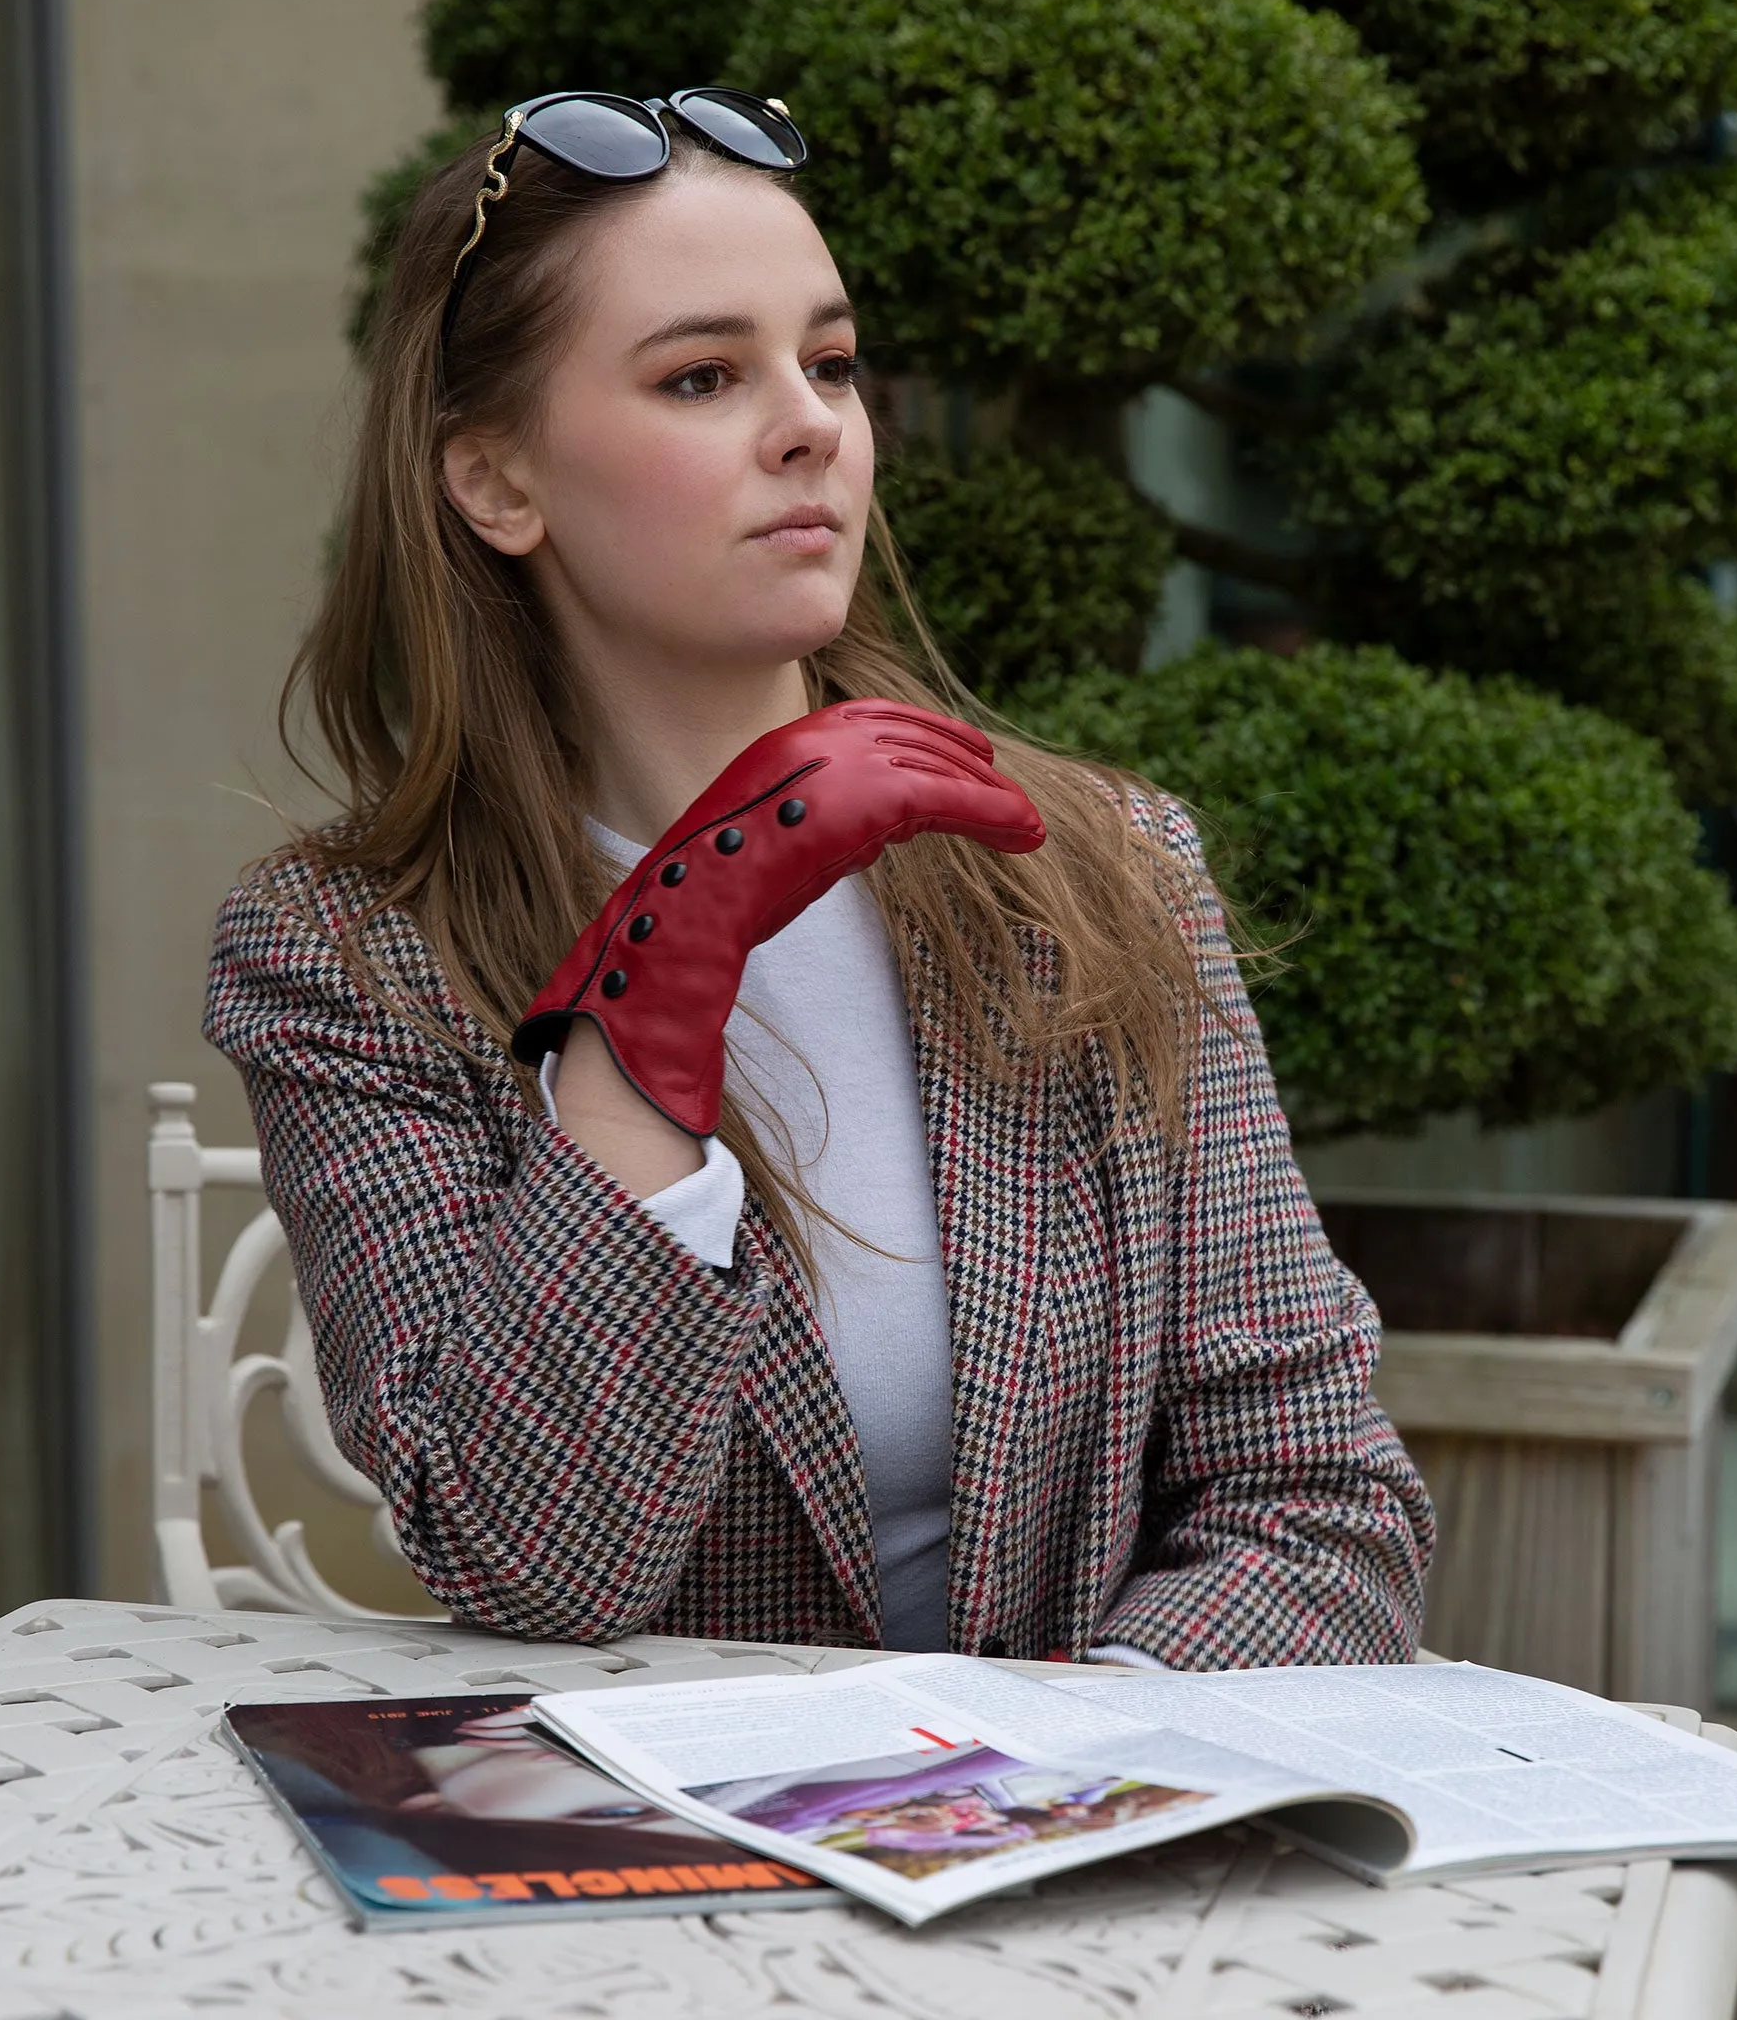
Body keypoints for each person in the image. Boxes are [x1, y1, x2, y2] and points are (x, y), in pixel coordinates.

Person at [204, 88, 1434, 1670]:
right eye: (704, 375)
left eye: (832, 363)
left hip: (1078, 1863)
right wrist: (662, 966)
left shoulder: (1103, 876)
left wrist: (1040, 1773)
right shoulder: (344, 957)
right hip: (639, 1882)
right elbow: (531, 1571)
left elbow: (1323, 1507)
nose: (811, 425)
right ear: (496, 484)